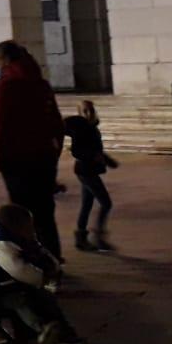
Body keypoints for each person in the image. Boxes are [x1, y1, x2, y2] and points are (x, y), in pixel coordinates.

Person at [0, 41, 65, 261]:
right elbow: (57, 125)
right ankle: (52, 259)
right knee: (44, 212)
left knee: (21, 214)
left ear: (5, 60)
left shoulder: (4, 86)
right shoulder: (41, 84)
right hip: (44, 157)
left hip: (17, 159)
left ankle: (33, 263)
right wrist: (53, 153)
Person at [0, 203, 83, 344]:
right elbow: (19, 269)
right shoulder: (3, 245)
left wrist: (52, 267)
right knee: (23, 303)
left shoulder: (18, 236)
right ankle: (45, 330)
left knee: (45, 299)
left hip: (16, 282)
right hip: (3, 287)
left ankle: (61, 331)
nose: (32, 229)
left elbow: (40, 252)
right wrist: (42, 278)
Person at [62, 100, 117, 253]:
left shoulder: (91, 127)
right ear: (79, 112)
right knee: (106, 203)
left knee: (87, 205)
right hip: (85, 170)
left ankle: (81, 238)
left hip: (89, 170)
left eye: (90, 110)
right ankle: (98, 237)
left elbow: (96, 149)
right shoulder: (80, 127)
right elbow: (76, 151)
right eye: (84, 110)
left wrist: (108, 161)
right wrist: (93, 157)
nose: (88, 113)